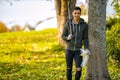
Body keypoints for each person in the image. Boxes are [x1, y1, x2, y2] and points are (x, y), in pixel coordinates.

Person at [61, 7, 90, 80]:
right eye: (75, 13)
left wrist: (86, 48)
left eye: (78, 13)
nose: (77, 15)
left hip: (78, 50)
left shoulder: (84, 25)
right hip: (69, 50)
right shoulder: (68, 24)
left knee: (79, 68)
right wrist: (67, 38)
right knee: (69, 68)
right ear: (72, 14)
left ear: (80, 14)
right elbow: (63, 36)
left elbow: (85, 38)